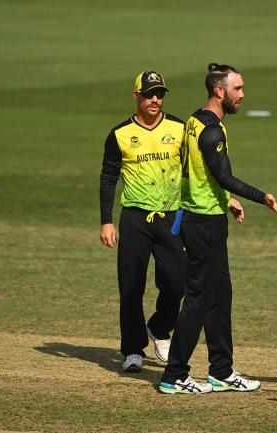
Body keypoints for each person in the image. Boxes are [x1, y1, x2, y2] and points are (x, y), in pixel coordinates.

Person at [158, 63, 277, 394]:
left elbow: (197, 171)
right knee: (200, 300)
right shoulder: (213, 131)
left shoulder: (194, 119)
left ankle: (221, 370)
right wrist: (264, 197)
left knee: (220, 295)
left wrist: (226, 200)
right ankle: (174, 375)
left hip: (205, 214)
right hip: (203, 223)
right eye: (238, 89)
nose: (242, 95)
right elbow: (224, 176)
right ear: (220, 91)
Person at [99, 70, 186, 373]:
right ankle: (133, 349)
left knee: (177, 282)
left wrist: (224, 199)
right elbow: (109, 177)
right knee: (131, 286)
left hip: (172, 216)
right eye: (149, 94)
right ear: (136, 96)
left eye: (159, 94)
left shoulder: (179, 128)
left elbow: (195, 171)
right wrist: (106, 221)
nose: (155, 99)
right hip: (134, 217)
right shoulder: (120, 134)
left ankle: (160, 328)